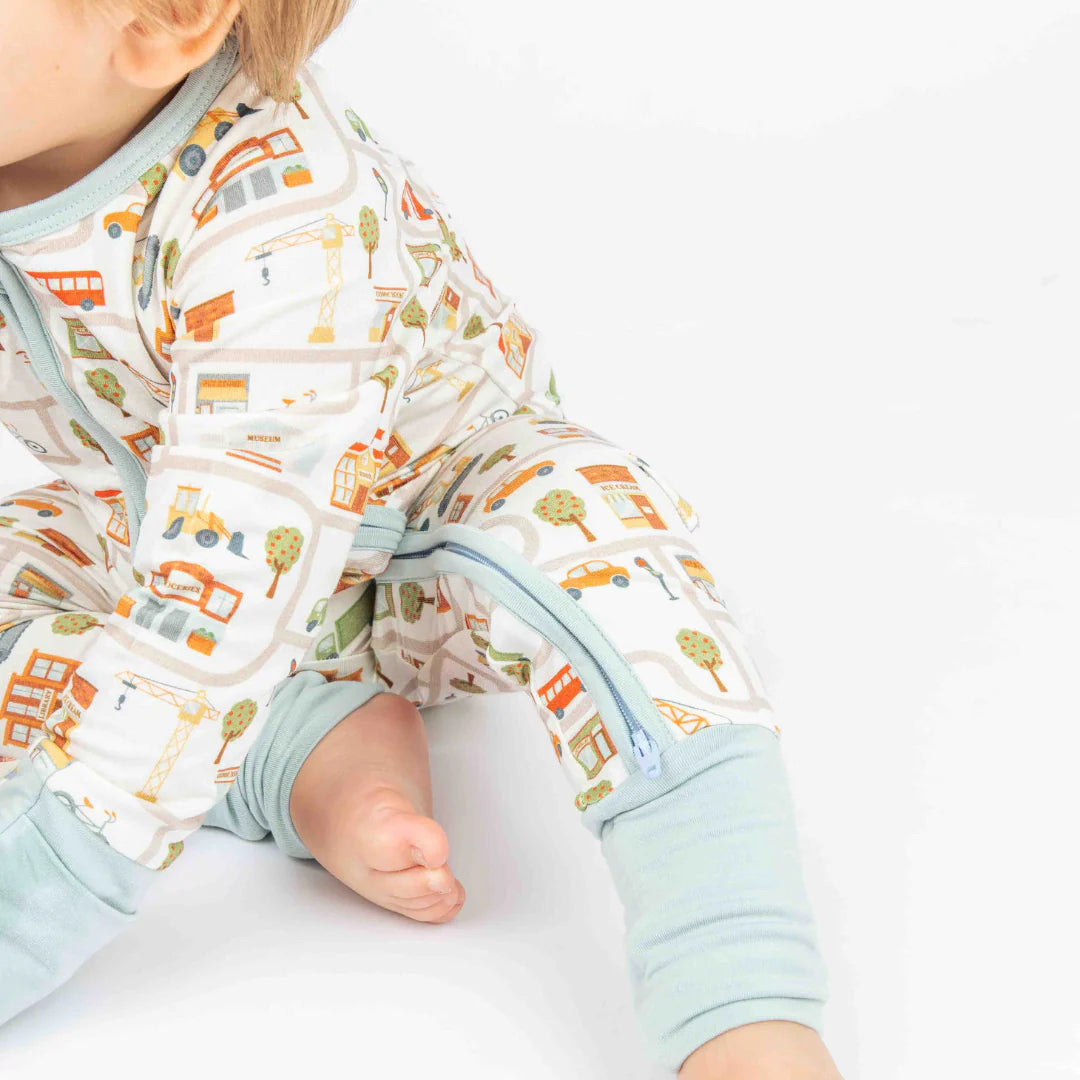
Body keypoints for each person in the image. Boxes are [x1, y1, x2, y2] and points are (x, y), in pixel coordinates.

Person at [0, 2, 842, 1075]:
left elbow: (209, 608)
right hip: (159, 535)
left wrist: (31, 906)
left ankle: (740, 999)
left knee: (610, 548)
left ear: (165, 20)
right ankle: (297, 747)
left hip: (430, 549)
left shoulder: (285, 219)